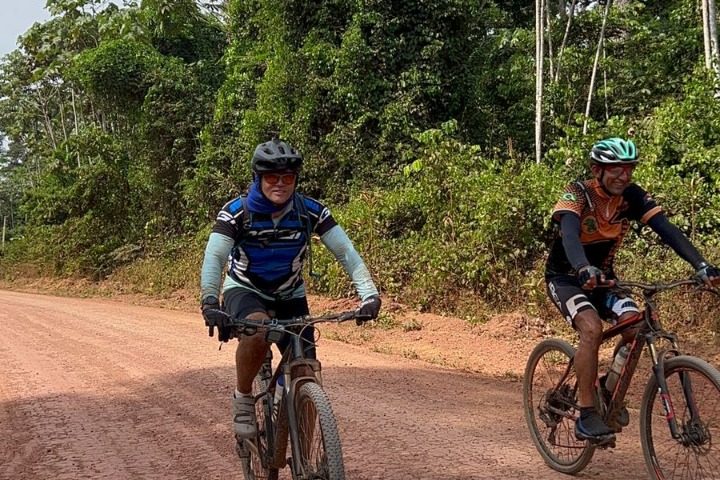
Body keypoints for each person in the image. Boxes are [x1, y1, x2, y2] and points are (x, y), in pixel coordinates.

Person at [199, 137, 381, 439]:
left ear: (296, 179)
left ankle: (308, 461)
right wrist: (209, 300)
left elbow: (346, 252)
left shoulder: (310, 211)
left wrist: (369, 294)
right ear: (258, 178)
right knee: (256, 331)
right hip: (245, 288)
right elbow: (216, 256)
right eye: (272, 177)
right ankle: (244, 397)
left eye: (288, 177)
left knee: (306, 371)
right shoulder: (237, 212)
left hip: (290, 293)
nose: (280, 184)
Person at [544, 137, 719, 445]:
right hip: (566, 278)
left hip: (605, 280)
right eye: (615, 169)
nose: (623, 176)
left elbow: (667, 230)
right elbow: (570, 235)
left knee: (636, 324)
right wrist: (584, 267)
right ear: (597, 169)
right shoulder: (577, 193)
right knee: (591, 328)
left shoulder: (632, 197)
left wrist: (702, 266)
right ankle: (586, 416)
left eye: (629, 169)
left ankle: (607, 390)